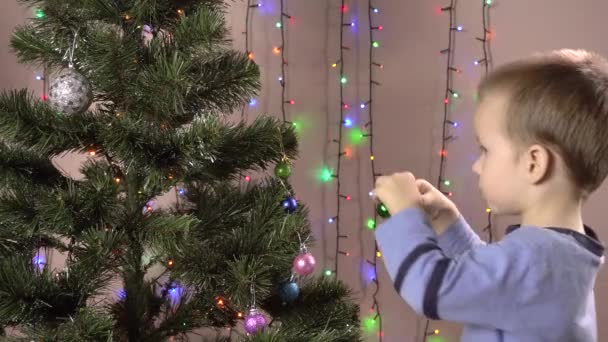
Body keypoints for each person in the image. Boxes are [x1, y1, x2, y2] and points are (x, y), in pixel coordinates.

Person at [373, 49, 606, 341]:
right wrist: (448, 222)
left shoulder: (537, 259)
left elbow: (432, 289)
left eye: (485, 150)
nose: (476, 165)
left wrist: (406, 215)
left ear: (534, 163)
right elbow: (490, 279)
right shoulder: (561, 256)